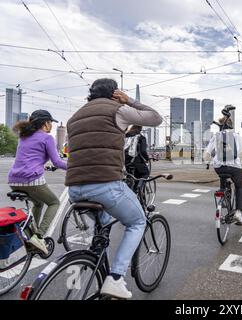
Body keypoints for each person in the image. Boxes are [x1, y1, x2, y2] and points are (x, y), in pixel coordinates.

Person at [65, 78, 162, 299]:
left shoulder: (74, 117)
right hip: (105, 185)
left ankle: (96, 257)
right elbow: (156, 118)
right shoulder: (117, 109)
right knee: (137, 221)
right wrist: (130, 100)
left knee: (104, 223)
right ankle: (116, 278)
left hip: (74, 190)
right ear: (115, 93)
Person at [8, 110, 67, 254]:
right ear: (45, 123)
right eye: (50, 123)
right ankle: (39, 235)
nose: (51, 126)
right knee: (54, 203)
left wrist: (43, 165)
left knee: (39, 203)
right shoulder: (47, 138)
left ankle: (32, 234)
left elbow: (28, 159)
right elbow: (58, 162)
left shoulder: (24, 136)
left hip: (13, 180)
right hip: (31, 180)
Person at [204, 115, 242, 226]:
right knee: (238, 187)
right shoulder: (236, 136)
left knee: (222, 175)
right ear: (231, 125)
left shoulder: (216, 136)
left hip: (218, 167)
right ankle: (238, 212)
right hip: (234, 167)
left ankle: (223, 194)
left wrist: (207, 162)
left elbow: (207, 153)